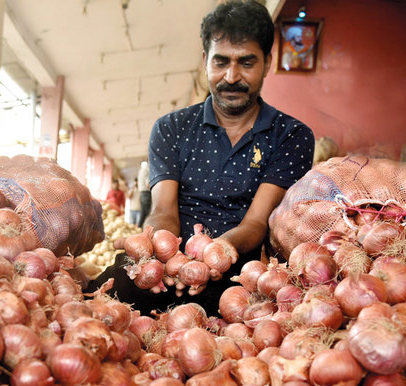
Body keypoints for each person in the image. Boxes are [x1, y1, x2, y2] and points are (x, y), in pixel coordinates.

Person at [88, 0, 314, 316]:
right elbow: (164, 210)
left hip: (237, 274)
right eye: (221, 62)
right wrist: (160, 248)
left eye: (246, 63)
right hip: (166, 266)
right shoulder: (171, 128)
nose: (232, 76)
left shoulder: (289, 135)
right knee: (102, 304)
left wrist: (216, 252)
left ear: (267, 62)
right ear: (205, 60)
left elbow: (256, 222)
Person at [136, 161, 151, 226]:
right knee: (148, 214)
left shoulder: (141, 170)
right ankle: (148, 232)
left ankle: (139, 229)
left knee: (143, 213)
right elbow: (148, 184)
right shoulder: (147, 169)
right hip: (146, 194)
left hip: (142, 194)